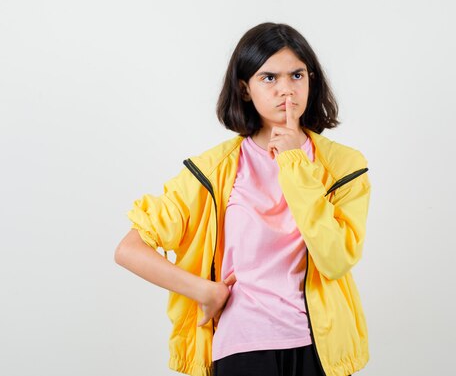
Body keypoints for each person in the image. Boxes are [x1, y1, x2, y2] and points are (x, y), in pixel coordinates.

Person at [114, 22, 371, 376]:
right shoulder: (213, 170)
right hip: (243, 347)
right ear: (245, 88)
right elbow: (129, 249)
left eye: (297, 75)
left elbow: (336, 258)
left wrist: (294, 162)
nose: (286, 90)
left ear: (311, 79)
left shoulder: (344, 166)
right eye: (269, 78)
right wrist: (206, 292)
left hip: (318, 348)